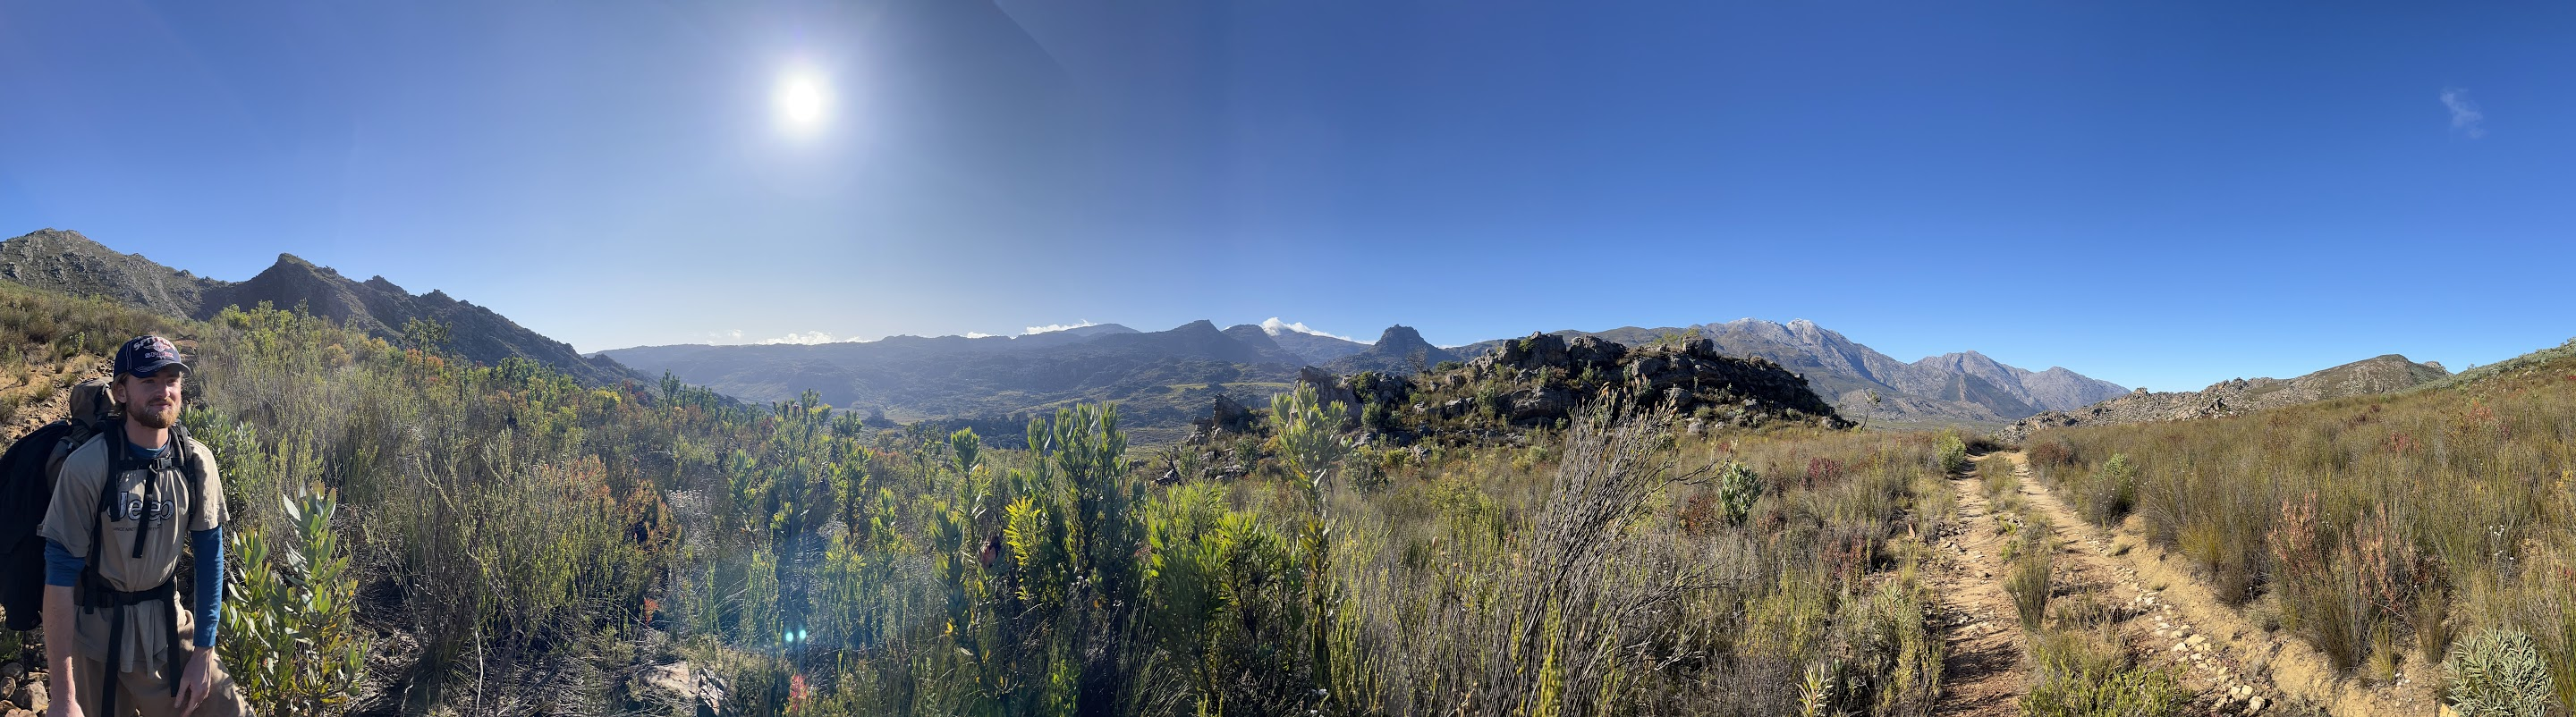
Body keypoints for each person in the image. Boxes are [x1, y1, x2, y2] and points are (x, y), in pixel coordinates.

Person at [38, 336, 247, 717]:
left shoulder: (196, 462)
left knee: (228, 708)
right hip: (97, 639)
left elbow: (210, 560)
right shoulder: (87, 468)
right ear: (121, 391)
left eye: (171, 380)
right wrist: (63, 695)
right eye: (148, 381)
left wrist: (203, 654)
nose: (163, 391)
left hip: (167, 625)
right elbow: (59, 578)